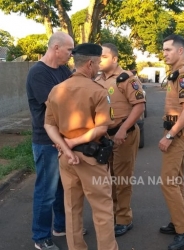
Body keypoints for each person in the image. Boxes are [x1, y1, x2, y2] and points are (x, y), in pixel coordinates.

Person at [44, 43, 119, 250]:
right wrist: (73, 143)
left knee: (72, 209)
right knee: (102, 210)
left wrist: (66, 148)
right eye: (97, 63)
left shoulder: (56, 90)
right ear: (89, 63)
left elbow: (48, 124)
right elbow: (101, 128)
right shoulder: (98, 91)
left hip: (66, 160)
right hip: (90, 159)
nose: (98, 67)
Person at [26, 31, 81, 250]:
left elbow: (73, 96)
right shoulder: (38, 73)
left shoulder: (64, 70)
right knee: (46, 191)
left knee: (61, 188)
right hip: (46, 140)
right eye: (69, 50)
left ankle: (60, 226)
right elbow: (57, 105)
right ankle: (40, 237)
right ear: (56, 48)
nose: (71, 54)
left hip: (62, 138)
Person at [95, 43, 145, 236]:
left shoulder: (127, 79)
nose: (100, 60)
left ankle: (124, 219)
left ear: (114, 59)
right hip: (105, 137)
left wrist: (123, 129)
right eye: (98, 57)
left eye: (104, 57)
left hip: (124, 135)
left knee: (122, 179)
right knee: (108, 179)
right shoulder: (98, 80)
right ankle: (113, 214)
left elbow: (139, 105)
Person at [158, 34, 184, 250]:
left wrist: (169, 136)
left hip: (178, 135)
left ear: (180, 51)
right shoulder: (177, 74)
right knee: (176, 180)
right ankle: (178, 222)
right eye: (163, 50)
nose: (164, 53)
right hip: (179, 133)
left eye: (168, 50)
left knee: (167, 182)